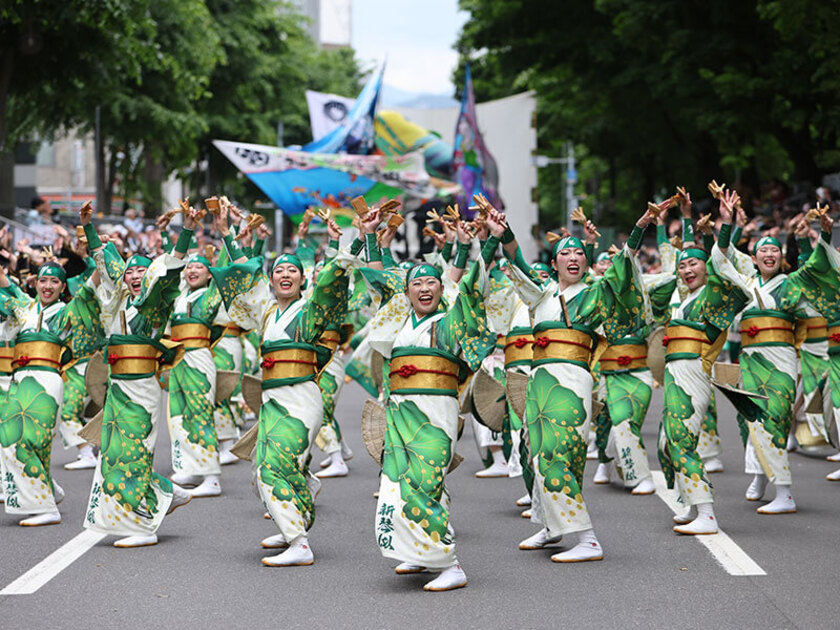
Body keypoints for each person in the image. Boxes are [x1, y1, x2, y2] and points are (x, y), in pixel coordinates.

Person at [487, 200, 654, 562]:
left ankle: (588, 539)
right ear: (554, 263)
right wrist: (504, 233)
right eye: (565, 253)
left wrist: (639, 227)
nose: (573, 257)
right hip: (539, 380)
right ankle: (551, 527)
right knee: (535, 453)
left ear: (586, 261)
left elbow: (623, 267)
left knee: (560, 453)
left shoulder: (595, 294)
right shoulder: (540, 294)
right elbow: (516, 261)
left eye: (579, 253)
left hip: (572, 382)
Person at [359, 206, 496, 591]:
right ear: (407, 293)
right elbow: (380, 283)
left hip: (436, 413)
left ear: (441, 289)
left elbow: (472, 289)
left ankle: (450, 564)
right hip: (400, 413)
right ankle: (420, 552)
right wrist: (370, 236)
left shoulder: (451, 321)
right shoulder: (399, 322)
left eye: (431, 282)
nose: (424, 288)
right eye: (416, 283)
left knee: (426, 481)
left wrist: (478, 244)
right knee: (399, 484)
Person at [209, 204, 353, 567]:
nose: (285, 275)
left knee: (275, 465)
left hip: (302, 397)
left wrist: (342, 244)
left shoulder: (310, 309)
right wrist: (226, 234)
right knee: (268, 464)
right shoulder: (267, 311)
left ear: (303, 280)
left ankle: (299, 543)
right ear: (271, 281)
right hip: (272, 399)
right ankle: (292, 522)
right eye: (278, 271)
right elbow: (245, 277)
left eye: (293, 271)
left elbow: (332, 283)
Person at [79, 204, 194, 548]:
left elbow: (170, 272)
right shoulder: (118, 303)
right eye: (129, 271)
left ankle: (144, 527)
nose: (133, 275)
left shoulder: (154, 304)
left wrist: (186, 231)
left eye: (141, 271)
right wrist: (88, 226)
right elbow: (105, 263)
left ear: (149, 277)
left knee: (135, 452)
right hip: (118, 386)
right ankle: (165, 491)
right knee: (115, 453)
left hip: (142, 387)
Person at [721, 208, 840, 511]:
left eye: (775, 249)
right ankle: (760, 475)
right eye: (764, 250)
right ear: (754, 258)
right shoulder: (747, 285)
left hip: (781, 359)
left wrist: (824, 234)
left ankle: (784, 493)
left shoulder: (790, 283)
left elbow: (814, 270)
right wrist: (727, 224)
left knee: (775, 418)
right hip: (750, 360)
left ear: (781, 256)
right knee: (751, 419)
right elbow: (722, 262)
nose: (770, 254)